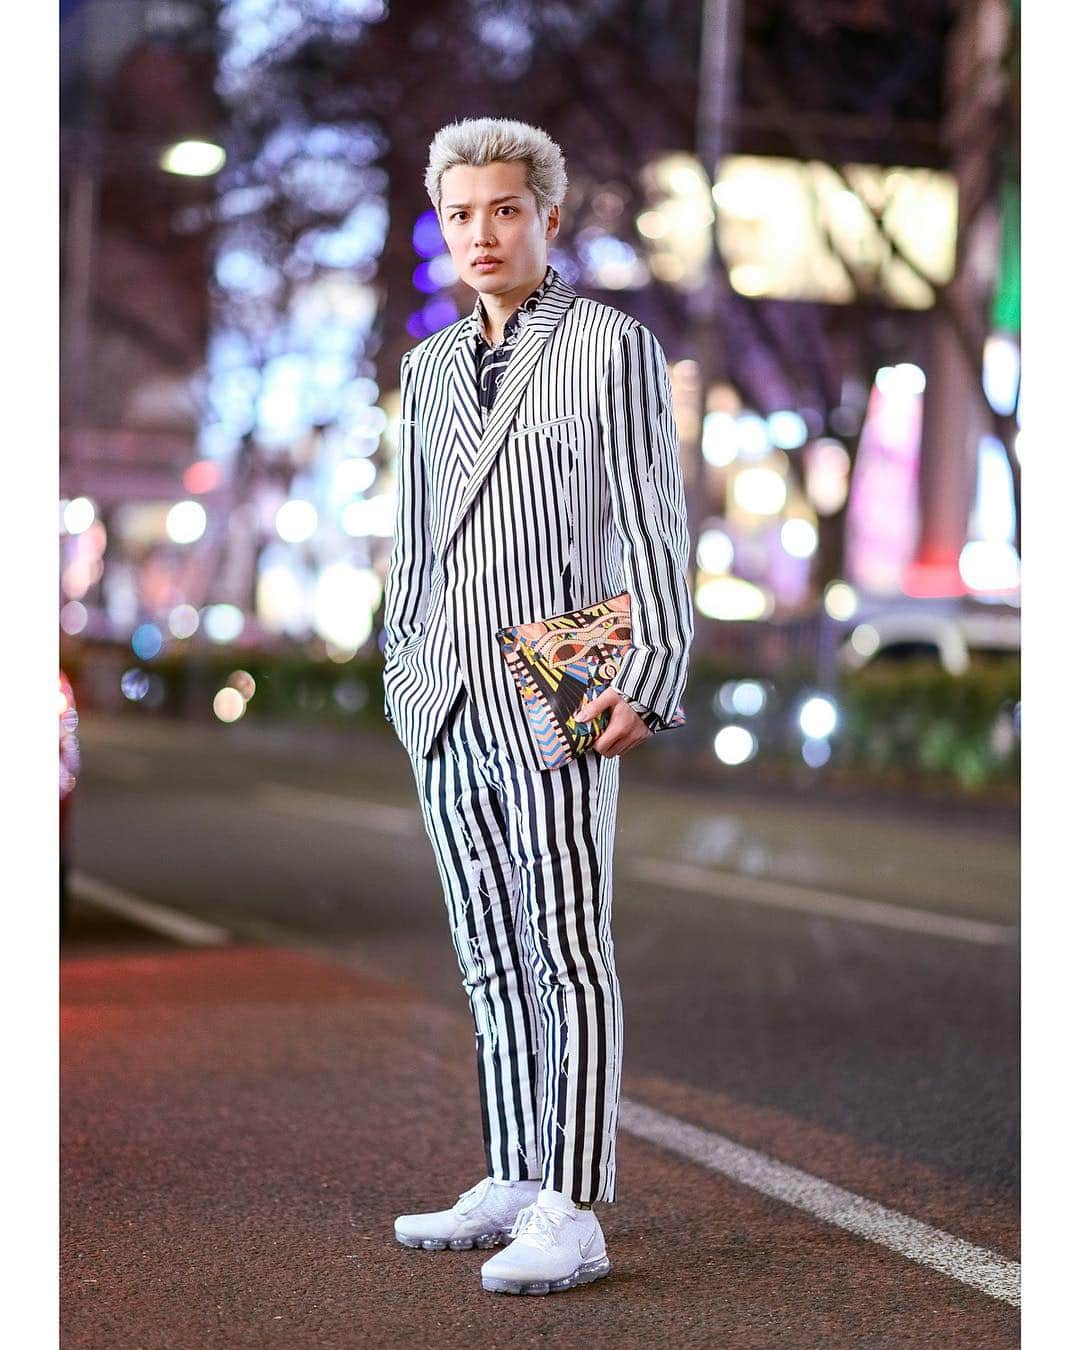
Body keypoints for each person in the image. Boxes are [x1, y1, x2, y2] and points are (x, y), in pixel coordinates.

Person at [382, 116, 694, 1296]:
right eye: (460, 214)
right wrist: (402, 662)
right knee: (486, 952)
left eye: (504, 209)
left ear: (548, 218)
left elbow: (655, 522)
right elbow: (414, 542)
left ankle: (573, 1206)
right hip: (444, 697)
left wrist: (649, 678)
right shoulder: (426, 368)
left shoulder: (612, 350)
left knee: (567, 949)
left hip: (559, 684)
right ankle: (513, 1174)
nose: (481, 232)